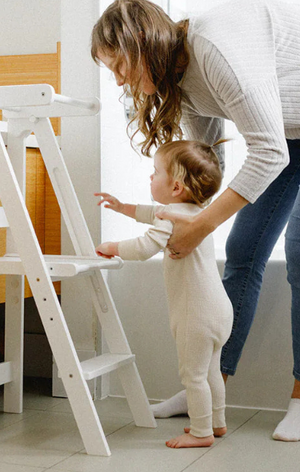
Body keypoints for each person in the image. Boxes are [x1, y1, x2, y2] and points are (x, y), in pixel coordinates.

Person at [92, 0, 300, 441]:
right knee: (243, 249)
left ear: (143, 44)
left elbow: (268, 152)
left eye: (120, 66)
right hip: (292, 130)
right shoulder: (180, 80)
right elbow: (211, 169)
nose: (118, 81)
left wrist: (201, 225)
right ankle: (210, 393)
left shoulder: (215, 53)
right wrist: (183, 213)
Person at [94, 139, 233, 449]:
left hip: (195, 314)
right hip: (220, 309)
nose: (150, 177)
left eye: (156, 172)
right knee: (211, 371)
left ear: (176, 187)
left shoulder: (168, 217)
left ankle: (201, 432)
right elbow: (151, 213)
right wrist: (123, 207)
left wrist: (112, 247)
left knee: (192, 377)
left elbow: (145, 247)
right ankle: (217, 422)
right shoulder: (196, 211)